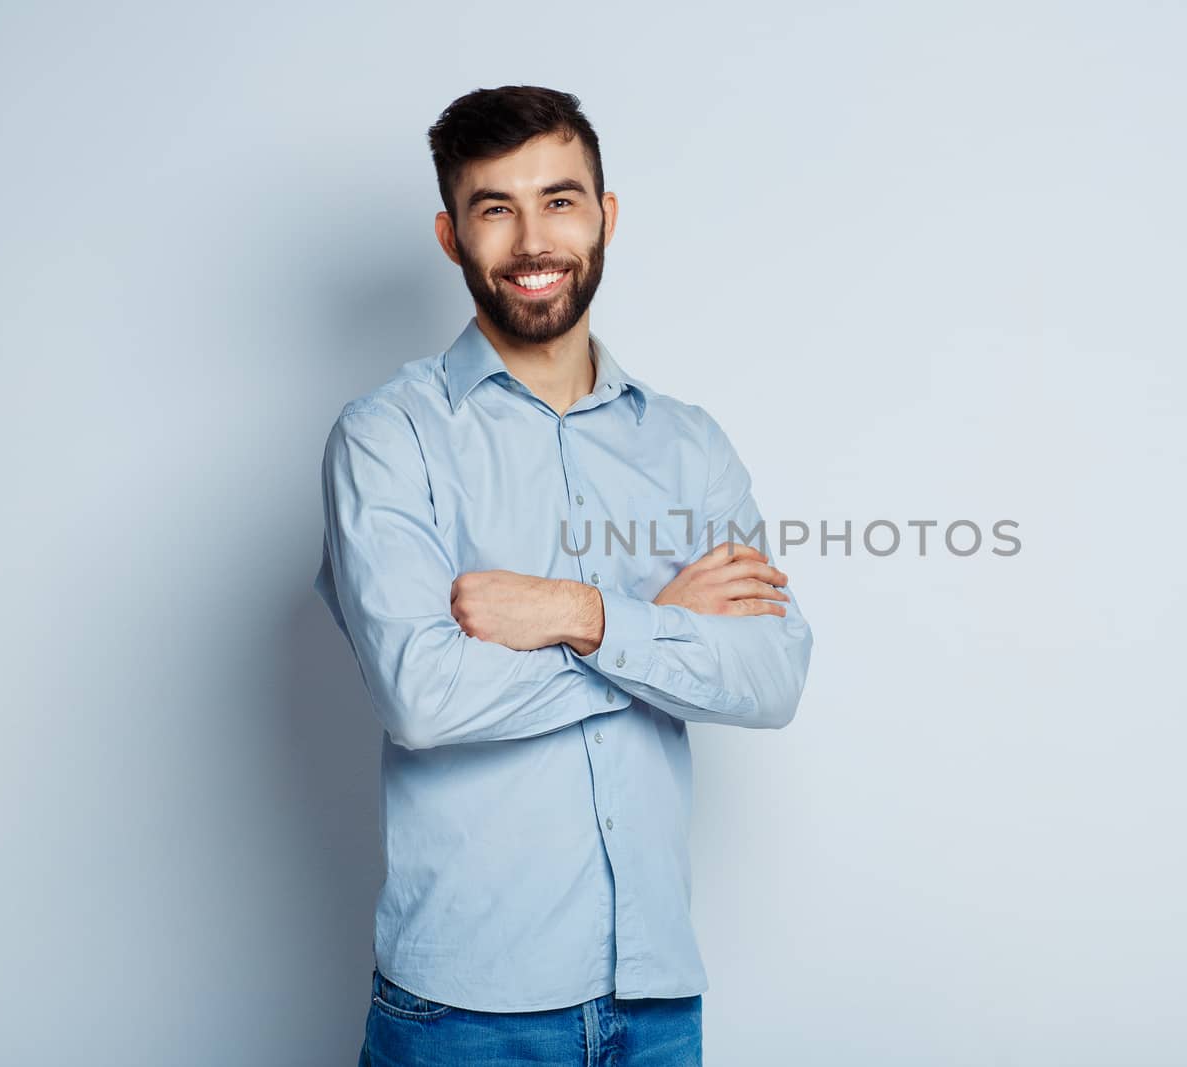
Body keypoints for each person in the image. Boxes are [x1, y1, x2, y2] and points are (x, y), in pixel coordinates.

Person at [312, 84, 814, 1067]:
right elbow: (425, 697)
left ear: (605, 216)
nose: (533, 238)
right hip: (465, 1009)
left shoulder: (685, 443)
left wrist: (578, 612)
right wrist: (658, 626)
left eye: (559, 199)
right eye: (494, 208)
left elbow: (771, 674)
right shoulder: (389, 438)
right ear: (451, 236)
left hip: (657, 996)